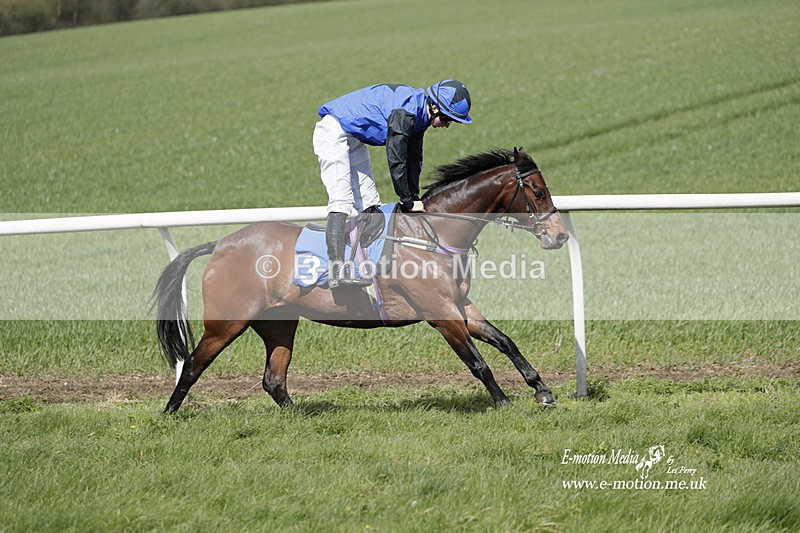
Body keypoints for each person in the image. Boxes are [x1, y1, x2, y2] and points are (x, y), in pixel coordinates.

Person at [313, 80, 473, 288]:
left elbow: (414, 159)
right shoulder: (405, 112)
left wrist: (415, 198)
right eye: (446, 118)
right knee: (342, 200)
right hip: (333, 132)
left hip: (353, 137)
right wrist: (406, 201)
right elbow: (396, 159)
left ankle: (362, 263)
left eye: (452, 121)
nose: (447, 124)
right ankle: (336, 271)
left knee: (371, 204)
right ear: (434, 106)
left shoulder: (420, 117)